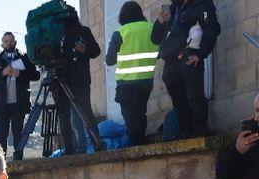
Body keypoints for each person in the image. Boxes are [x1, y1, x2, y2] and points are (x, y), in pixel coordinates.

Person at [153, 0, 220, 138]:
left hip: (189, 56)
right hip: (171, 60)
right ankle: (185, 130)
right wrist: (159, 22)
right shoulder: (174, 8)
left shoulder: (202, 5)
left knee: (195, 95)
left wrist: (200, 54)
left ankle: (199, 130)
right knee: (178, 99)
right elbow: (155, 38)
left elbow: (211, 30)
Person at [106, 2, 158, 146]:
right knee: (141, 114)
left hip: (127, 84)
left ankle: (137, 147)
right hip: (146, 82)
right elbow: (159, 51)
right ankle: (140, 142)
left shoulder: (121, 32)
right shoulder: (151, 28)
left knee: (130, 119)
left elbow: (109, 60)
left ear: (122, 16)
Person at [0, 31, 40, 161]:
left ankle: (18, 158)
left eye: (11, 41)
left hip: (19, 103)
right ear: (2, 45)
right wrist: (2, 73)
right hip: (1, 104)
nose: (9, 43)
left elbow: (36, 75)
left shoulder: (24, 58)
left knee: (18, 133)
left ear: (15, 42)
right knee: (2, 135)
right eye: (6, 41)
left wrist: (20, 74)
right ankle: (1, 162)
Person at [55, 8, 101, 155]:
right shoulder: (57, 35)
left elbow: (96, 51)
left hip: (79, 80)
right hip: (61, 80)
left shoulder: (84, 31)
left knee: (85, 112)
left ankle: (96, 144)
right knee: (65, 116)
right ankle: (70, 149)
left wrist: (85, 50)